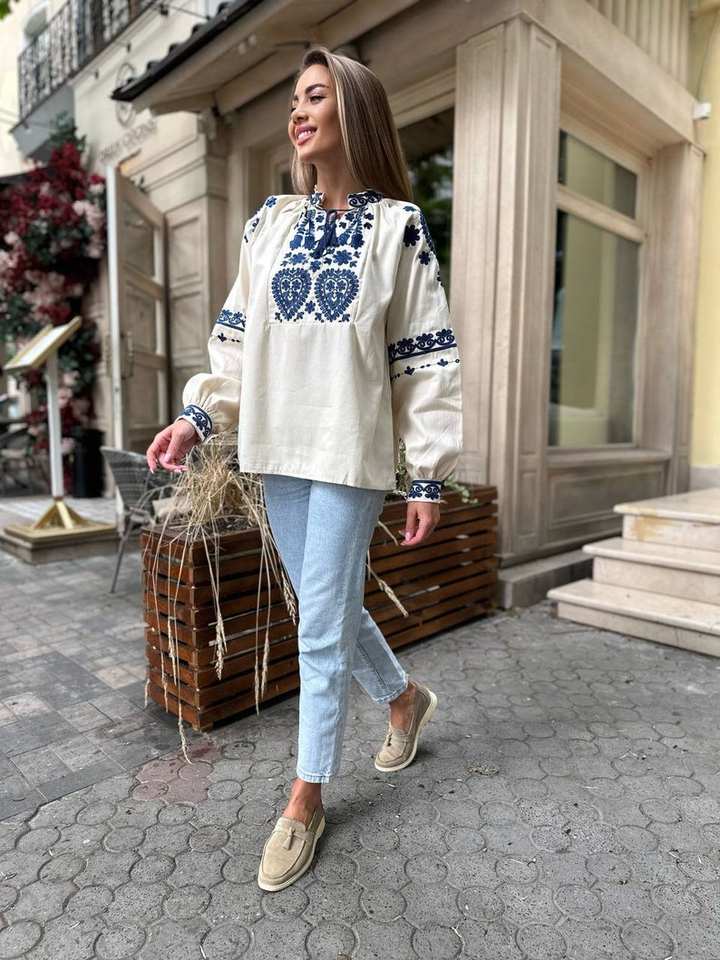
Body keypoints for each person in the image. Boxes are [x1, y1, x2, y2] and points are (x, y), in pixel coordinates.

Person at [146, 45, 463, 892]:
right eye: (294, 99)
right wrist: (195, 416)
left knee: (318, 625)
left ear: (353, 111)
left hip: (350, 452)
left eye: (315, 96)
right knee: (329, 607)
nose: (298, 112)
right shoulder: (269, 224)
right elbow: (236, 341)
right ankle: (404, 700)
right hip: (277, 448)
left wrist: (428, 472)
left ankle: (305, 798)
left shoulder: (398, 228)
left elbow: (425, 360)